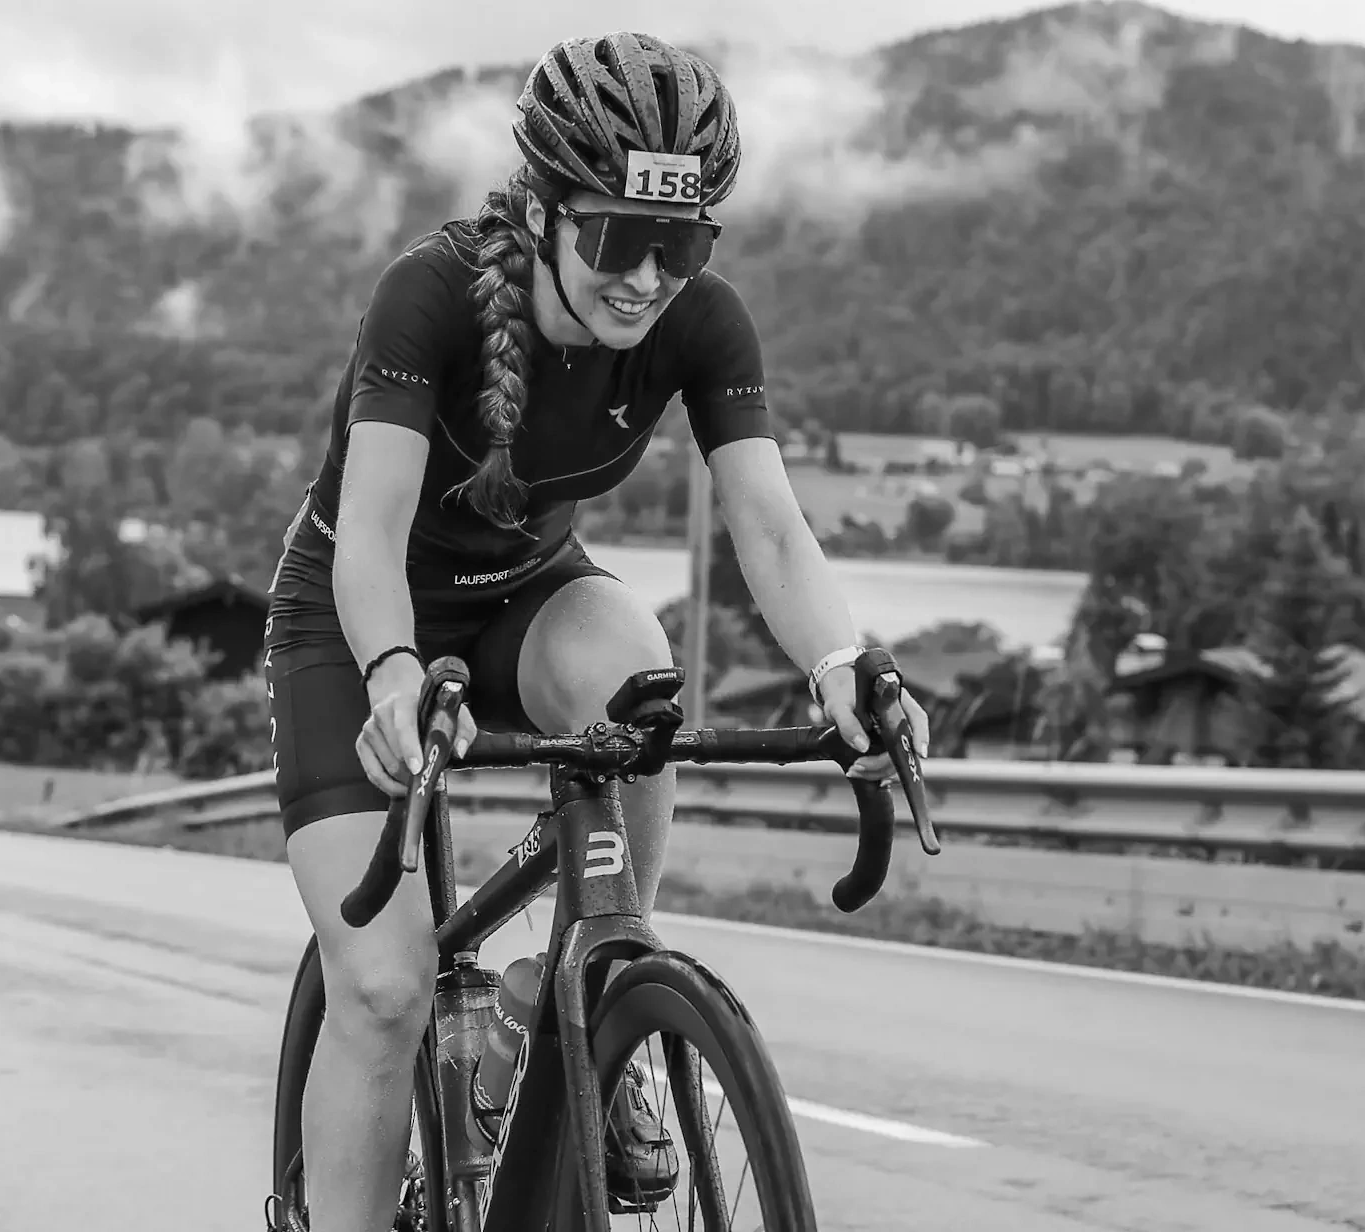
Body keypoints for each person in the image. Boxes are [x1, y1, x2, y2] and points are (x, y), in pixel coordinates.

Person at [263, 30, 929, 1232]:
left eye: (680, 243)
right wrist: (393, 673)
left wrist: (841, 661)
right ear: (542, 211)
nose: (646, 277)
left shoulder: (700, 322)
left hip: (526, 599)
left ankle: (579, 984)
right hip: (356, 616)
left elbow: (771, 532)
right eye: (618, 238)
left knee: (636, 669)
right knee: (385, 987)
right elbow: (368, 534)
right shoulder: (431, 293)